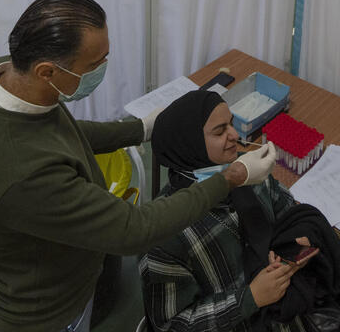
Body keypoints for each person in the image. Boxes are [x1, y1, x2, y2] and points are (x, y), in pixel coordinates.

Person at [0, 0, 278, 332]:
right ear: (47, 71)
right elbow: (135, 230)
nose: (103, 69)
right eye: (94, 65)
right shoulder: (22, 174)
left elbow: (58, 129)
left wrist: (138, 129)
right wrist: (232, 177)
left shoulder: (3, 77)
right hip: (42, 314)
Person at [139, 91, 327, 331]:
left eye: (231, 123)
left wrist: (297, 239)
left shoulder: (248, 171)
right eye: (220, 131)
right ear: (190, 144)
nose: (236, 135)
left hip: (280, 310)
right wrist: (251, 298)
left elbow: (287, 209)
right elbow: (172, 325)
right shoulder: (162, 237)